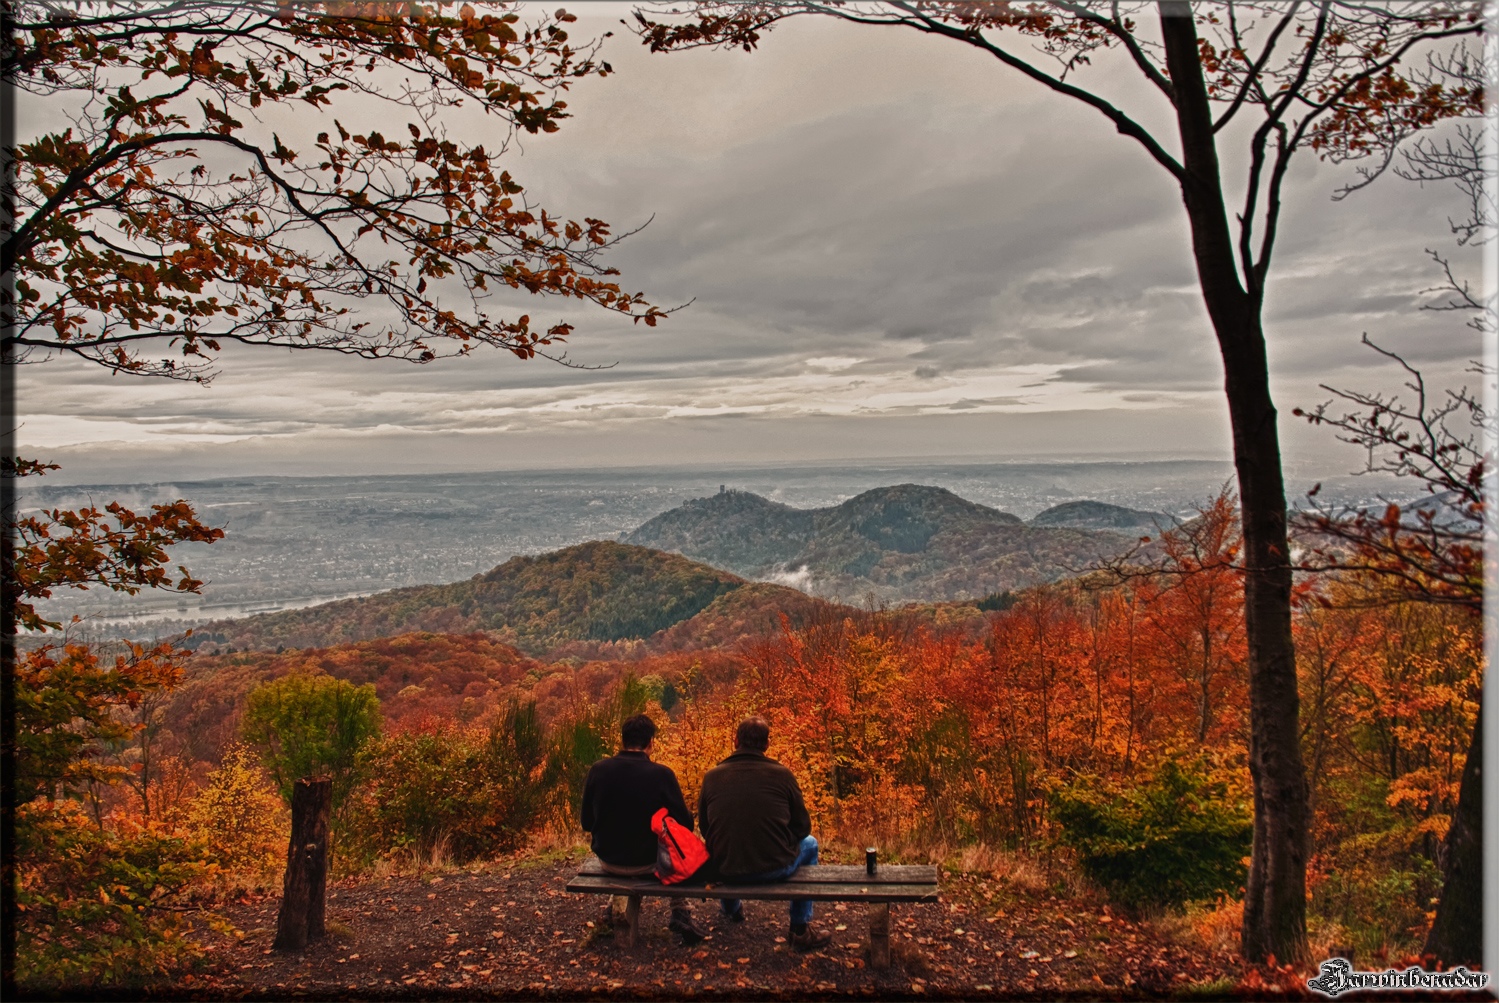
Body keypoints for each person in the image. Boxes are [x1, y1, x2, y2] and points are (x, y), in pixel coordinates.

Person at [697, 715, 832, 951]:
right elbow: (803, 828)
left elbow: (707, 829)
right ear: (767, 745)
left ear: (735, 740)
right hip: (774, 867)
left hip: (725, 867)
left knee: (724, 843)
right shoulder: (782, 775)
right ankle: (799, 929)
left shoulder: (712, 777)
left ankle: (731, 908)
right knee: (810, 844)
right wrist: (780, 843)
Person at [580, 713, 706, 945]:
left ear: (622, 741)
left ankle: (612, 908)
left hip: (609, 861)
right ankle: (681, 910)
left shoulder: (598, 770)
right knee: (676, 849)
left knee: (630, 846)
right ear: (650, 743)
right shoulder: (662, 774)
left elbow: (587, 823)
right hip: (650, 864)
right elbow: (686, 825)